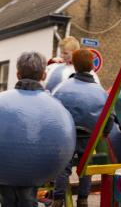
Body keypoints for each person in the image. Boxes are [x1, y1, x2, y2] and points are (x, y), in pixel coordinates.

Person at [0, 52, 75, 207]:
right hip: (36, 167)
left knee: (7, 197)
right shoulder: (55, 106)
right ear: (43, 75)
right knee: (27, 196)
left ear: (17, 74)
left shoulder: (3, 101)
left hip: (4, 166)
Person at [52, 49, 112, 207]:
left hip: (67, 137)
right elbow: (109, 116)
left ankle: (58, 199)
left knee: (63, 167)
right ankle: (83, 199)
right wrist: (105, 133)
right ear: (92, 66)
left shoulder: (61, 89)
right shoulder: (101, 93)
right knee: (86, 167)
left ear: (74, 65)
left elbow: (51, 111)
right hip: (90, 137)